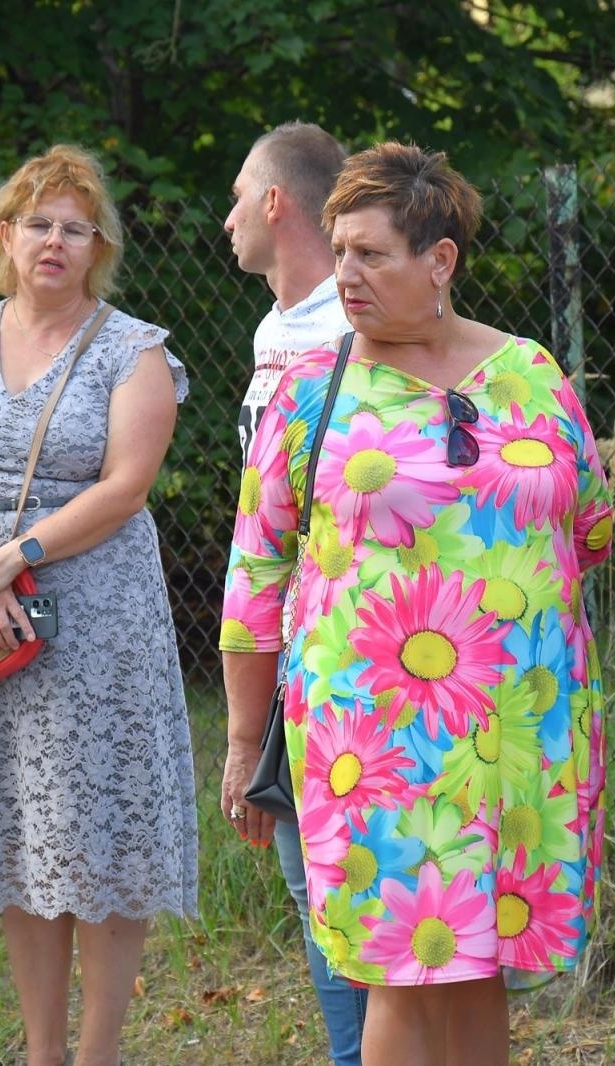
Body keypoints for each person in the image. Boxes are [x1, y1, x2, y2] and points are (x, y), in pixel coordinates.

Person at [220, 142, 614, 1066]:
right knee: (401, 968)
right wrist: (243, 739)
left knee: (481, 968)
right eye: (340, 250)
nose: (346, 275)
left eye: (372, 254)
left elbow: (588, 526)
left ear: (439, 262)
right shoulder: (312, 391)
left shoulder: (531, 373)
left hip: (521, 724)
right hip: (373, 737)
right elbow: (255, 574)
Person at [0, 144, 198, 1066]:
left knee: (97, 830)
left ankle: (99, 1051)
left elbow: (125, 487)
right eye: (39, 223)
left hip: (93, 611)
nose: (56, 241)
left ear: (97, 246)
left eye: (77, 227)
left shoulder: (132, 348)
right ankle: (42, 1052)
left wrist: (15, 557)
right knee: (17, 829)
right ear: (7, 235)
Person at [221, 120, 369, 1065]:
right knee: (305, 885)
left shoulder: (353, 327)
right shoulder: (277, 327)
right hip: (281, 651)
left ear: (276, 201)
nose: (228, 216)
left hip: (353, 652)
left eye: (239, 193)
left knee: (348, 892)